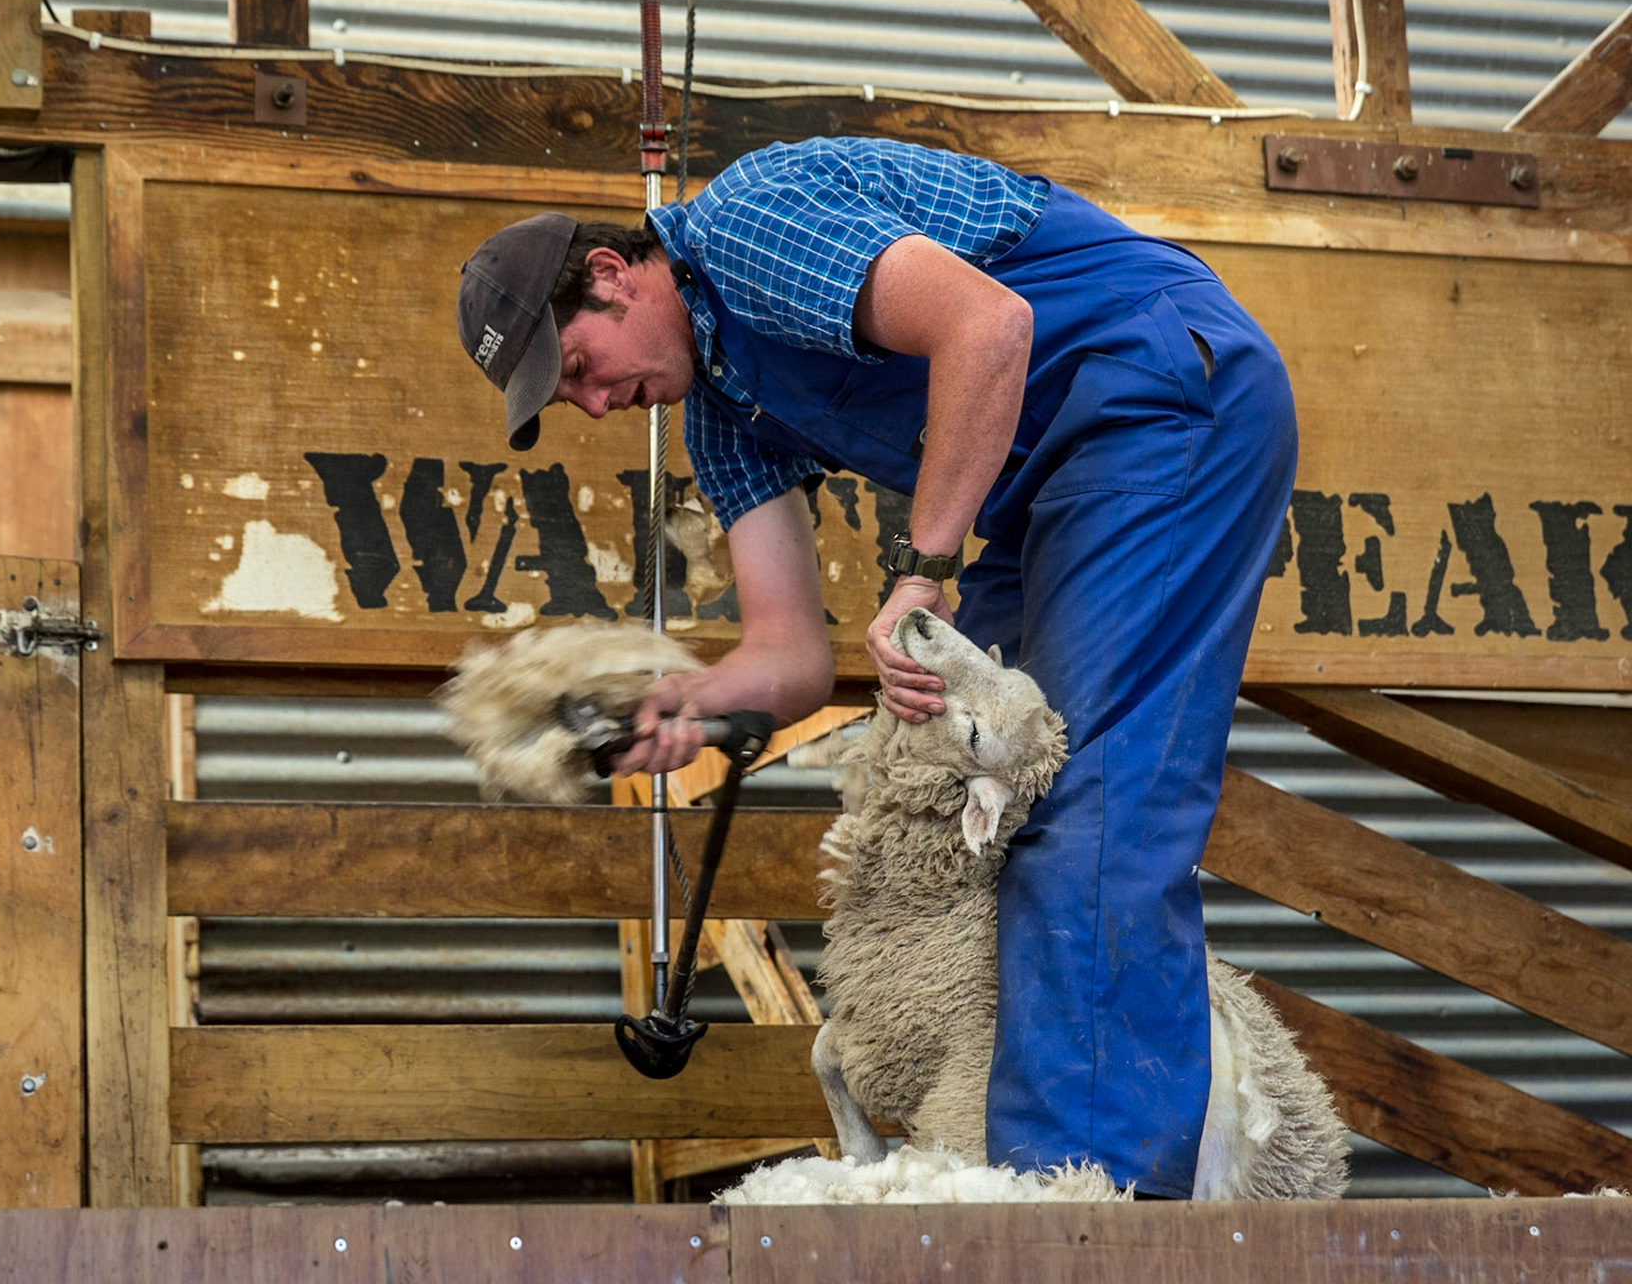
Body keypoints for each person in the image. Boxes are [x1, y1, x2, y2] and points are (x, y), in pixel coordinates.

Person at [454, 136, 1295, 1199]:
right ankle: (1014, 1158)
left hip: (1163, 398)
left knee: (1074, 795)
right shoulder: (724, 417)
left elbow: (991, 326)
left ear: (615, 277)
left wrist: (925, 572)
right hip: (1054, 486)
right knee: (973, 803)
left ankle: (1089, 1204)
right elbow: (790, 659)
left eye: (577, 368)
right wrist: (684, 706)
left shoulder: (749, 224)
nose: (594, 405)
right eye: (567, 400)